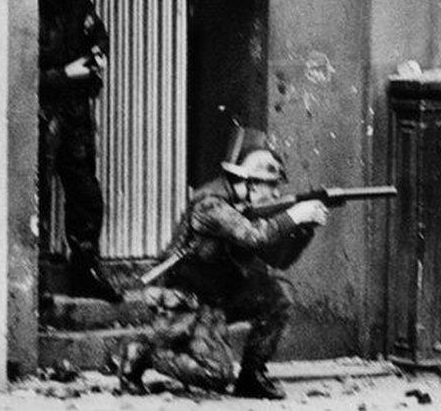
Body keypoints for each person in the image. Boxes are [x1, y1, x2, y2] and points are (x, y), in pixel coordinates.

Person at [118, 127, 328, 400]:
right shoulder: (210, 203)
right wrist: (294, 217)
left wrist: (305, 228)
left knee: (280, 295)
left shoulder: (243, 205)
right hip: (187, 301)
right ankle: (142, 353)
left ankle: (252, 377)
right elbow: (254, 236)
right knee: (216, 375)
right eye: (271, 186)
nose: (276, 194)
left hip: (220, 294)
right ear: (249, 183)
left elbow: (279, 259)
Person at [38, 0, 121, 303]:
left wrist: (98, 55)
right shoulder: (34, 9)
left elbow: (97, 33)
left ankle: (85, 271)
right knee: (33, 196)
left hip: (75, 113)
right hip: (44, 112)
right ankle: (33, 283)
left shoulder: (79, 2)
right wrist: (62, 75)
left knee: (86, 193)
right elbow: (21, 74)